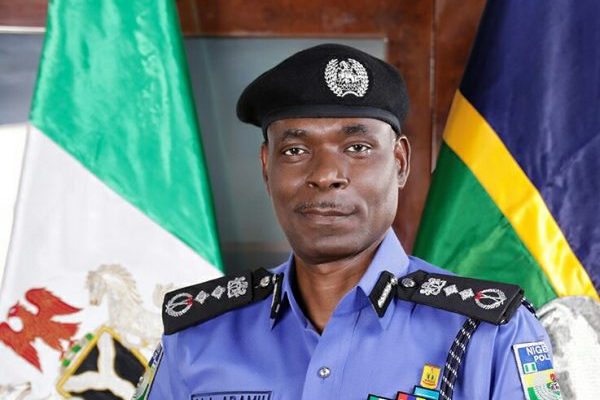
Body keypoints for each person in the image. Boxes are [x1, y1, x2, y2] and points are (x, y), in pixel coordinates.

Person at [134, 44, 561, 400]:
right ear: (266, 168)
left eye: (357, 147)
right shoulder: (198, 336)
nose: (325, 174)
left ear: (399, 162)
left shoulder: (487, 335)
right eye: (295, 151)